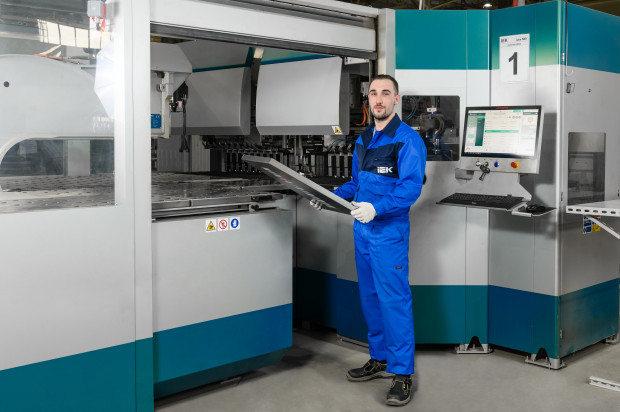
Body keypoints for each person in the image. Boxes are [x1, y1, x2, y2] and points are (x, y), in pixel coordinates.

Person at [312, 74, 426, 406]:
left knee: (394, 301)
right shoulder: (364, 139)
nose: (378, 99)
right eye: (373, 93)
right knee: (371, 298)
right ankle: (379, 359)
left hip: (388, 232)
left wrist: (377, 208)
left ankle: (402, 373)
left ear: (396, 99)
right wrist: (330, 196)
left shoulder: (408, 140)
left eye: (385, 93)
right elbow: (356, 184)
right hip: (362, 231)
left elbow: (410, 188)